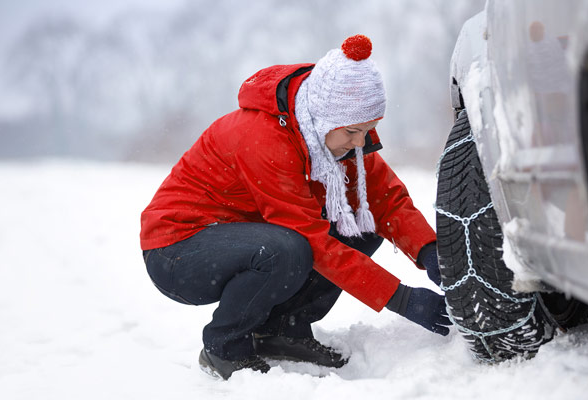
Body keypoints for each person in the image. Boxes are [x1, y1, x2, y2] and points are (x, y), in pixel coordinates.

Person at [140, 34, 450, 380]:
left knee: (358, 224)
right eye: (353, 131)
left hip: (246, 240)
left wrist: (431, 253)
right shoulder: (263, 138)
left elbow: (383, 201)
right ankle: (224, 348)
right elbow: (311, 239)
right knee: (287, 250)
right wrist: (402, 299)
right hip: (177, 250)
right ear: (323, 117)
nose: (361, 142)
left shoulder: (335, 141)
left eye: (369, 130)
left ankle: (283, 330)